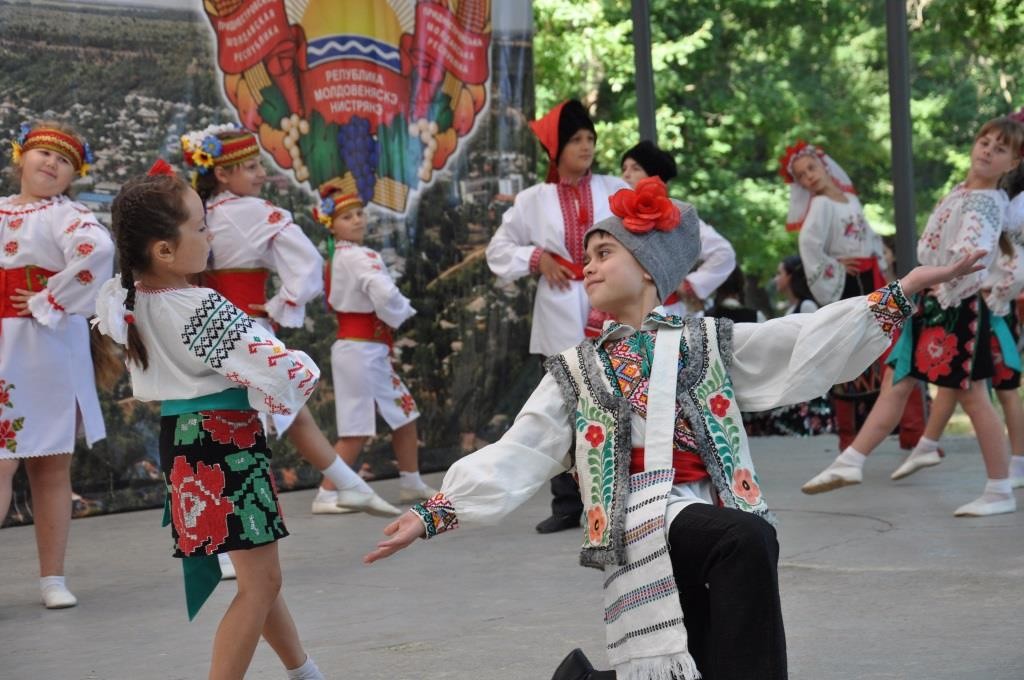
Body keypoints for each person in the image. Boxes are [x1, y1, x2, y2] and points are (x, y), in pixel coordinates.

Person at [363, 177, 979, 679]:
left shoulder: (705, 341)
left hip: (711, 500)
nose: (589, 268)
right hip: (640, 512)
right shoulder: (580, 367)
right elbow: (523, 447)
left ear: (651, 271)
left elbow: (796, 343)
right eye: (586, 257)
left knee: (702, 652)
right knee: (745, 542)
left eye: (605, 253)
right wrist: (434, 511)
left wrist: (900, 292)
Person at [94, 168, 325, 679]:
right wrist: (304, 367)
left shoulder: (132, 299)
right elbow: (278, 365)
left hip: (186, 440)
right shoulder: (199, 306)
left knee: (256, 577)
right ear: (164, 250)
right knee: (260, 583)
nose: (210, 235)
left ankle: (305, 671)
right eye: (199, 227)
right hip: (223, 441)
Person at [180, 125, 398, 547]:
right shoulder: (255, 212)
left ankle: (339, 484)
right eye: (251, 166)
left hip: (200, 328)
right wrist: (282, 304)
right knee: (257, 422)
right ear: (222, 173)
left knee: (243, 420)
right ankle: (238, 535)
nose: (261, 173)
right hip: (242, 329)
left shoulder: (200, 210)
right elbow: (308, 264)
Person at [801, 116, 1024, 516]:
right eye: (984, 141)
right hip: (934, 299)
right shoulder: (964, 191)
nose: (988, 150)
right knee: (897, 380)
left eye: (1000, 148)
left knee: (974, 397)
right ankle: (852, 460)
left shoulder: (987, 204)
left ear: (1012, 162)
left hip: (957, 304)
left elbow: (974, 258)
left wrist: (949, 285)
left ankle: (999, 487)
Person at [486, 99, 628, 534]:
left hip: (611, 304)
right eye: (576, 140)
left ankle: (620, 497)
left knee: (619, 398)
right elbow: (499, 249)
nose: (586, 147)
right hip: (560, 307)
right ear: (557, 149)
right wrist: (536, 258)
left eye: (590, 139)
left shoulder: (613, 187)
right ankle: (567, 504)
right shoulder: (534, 200)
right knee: (565, 404)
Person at [0, 121, 114, 609]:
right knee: (2, 461)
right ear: (19, 157)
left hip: (43, 343)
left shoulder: (69, 216)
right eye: (42, 153)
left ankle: (53, 578)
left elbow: (100, 251)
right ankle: (50, 580)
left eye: (63, 160)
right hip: (7, 340)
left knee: (48, 465)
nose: (50, 163)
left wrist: (50, 296)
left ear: (73, 176)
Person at [314, 179, 437, 504]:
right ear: (332, 225)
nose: (357, 220)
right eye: (346, 216)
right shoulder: (360, 256)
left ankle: (411, 482)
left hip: (364, 349)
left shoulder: (337, 257)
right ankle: (326, 494)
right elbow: (381, 289)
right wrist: (401, 311)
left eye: (359, 213)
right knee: (356, 429)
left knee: (405, 414)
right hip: (362, 349)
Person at [780, 140, 892, 452]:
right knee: (847, 353)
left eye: (811, 169)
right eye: (801, 176)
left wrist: (882, 263)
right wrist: (835, 265)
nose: (808, 178)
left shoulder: (849, 199)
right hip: (848, 282)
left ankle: (894, 430)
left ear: (824, 166)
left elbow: (868, 236)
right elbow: (809, 244)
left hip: (870, 278)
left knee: (882, 349)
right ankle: (848, 437)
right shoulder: (821, 205)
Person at [620, 140, 736, 316]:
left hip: (668, 312)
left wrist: (688, 284)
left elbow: (724, 252)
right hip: (623, 312)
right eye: (624, 169)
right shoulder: (615, 216)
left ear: (654, 177)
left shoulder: (676, 215)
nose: (626, 175)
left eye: (635, 168)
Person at [742, 255, 834, 437]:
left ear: (791, 276)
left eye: (779, 273)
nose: (776, 279)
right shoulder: (790, 309)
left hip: (804, 389)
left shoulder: (807, 306)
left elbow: (816, 345)